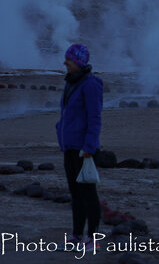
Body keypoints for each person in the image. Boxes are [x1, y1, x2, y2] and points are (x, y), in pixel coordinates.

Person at [56, 43, 103, 251]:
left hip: (84, 149)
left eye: (69, 59)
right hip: (70, 146)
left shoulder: (90, 84)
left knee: (88, 193)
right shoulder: (70, 83)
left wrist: (89, 146)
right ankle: (76, 236)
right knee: (75, 194)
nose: (65, 62)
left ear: (78, 62)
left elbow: (95, 118)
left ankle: (92, 239)